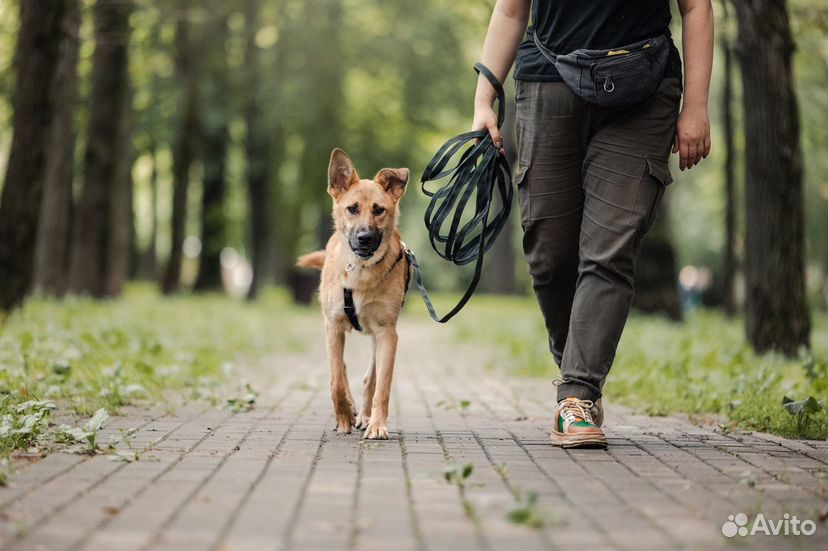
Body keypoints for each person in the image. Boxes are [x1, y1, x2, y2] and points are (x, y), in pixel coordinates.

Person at [473, 0, 713, 448]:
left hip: (644, 87)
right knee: (548, 257)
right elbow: (510, 11)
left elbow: (696, 7)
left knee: (610, 249)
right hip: (548, 83)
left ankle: (578, 395)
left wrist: (695, 105)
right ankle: (578, 370)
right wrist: (484, 98)